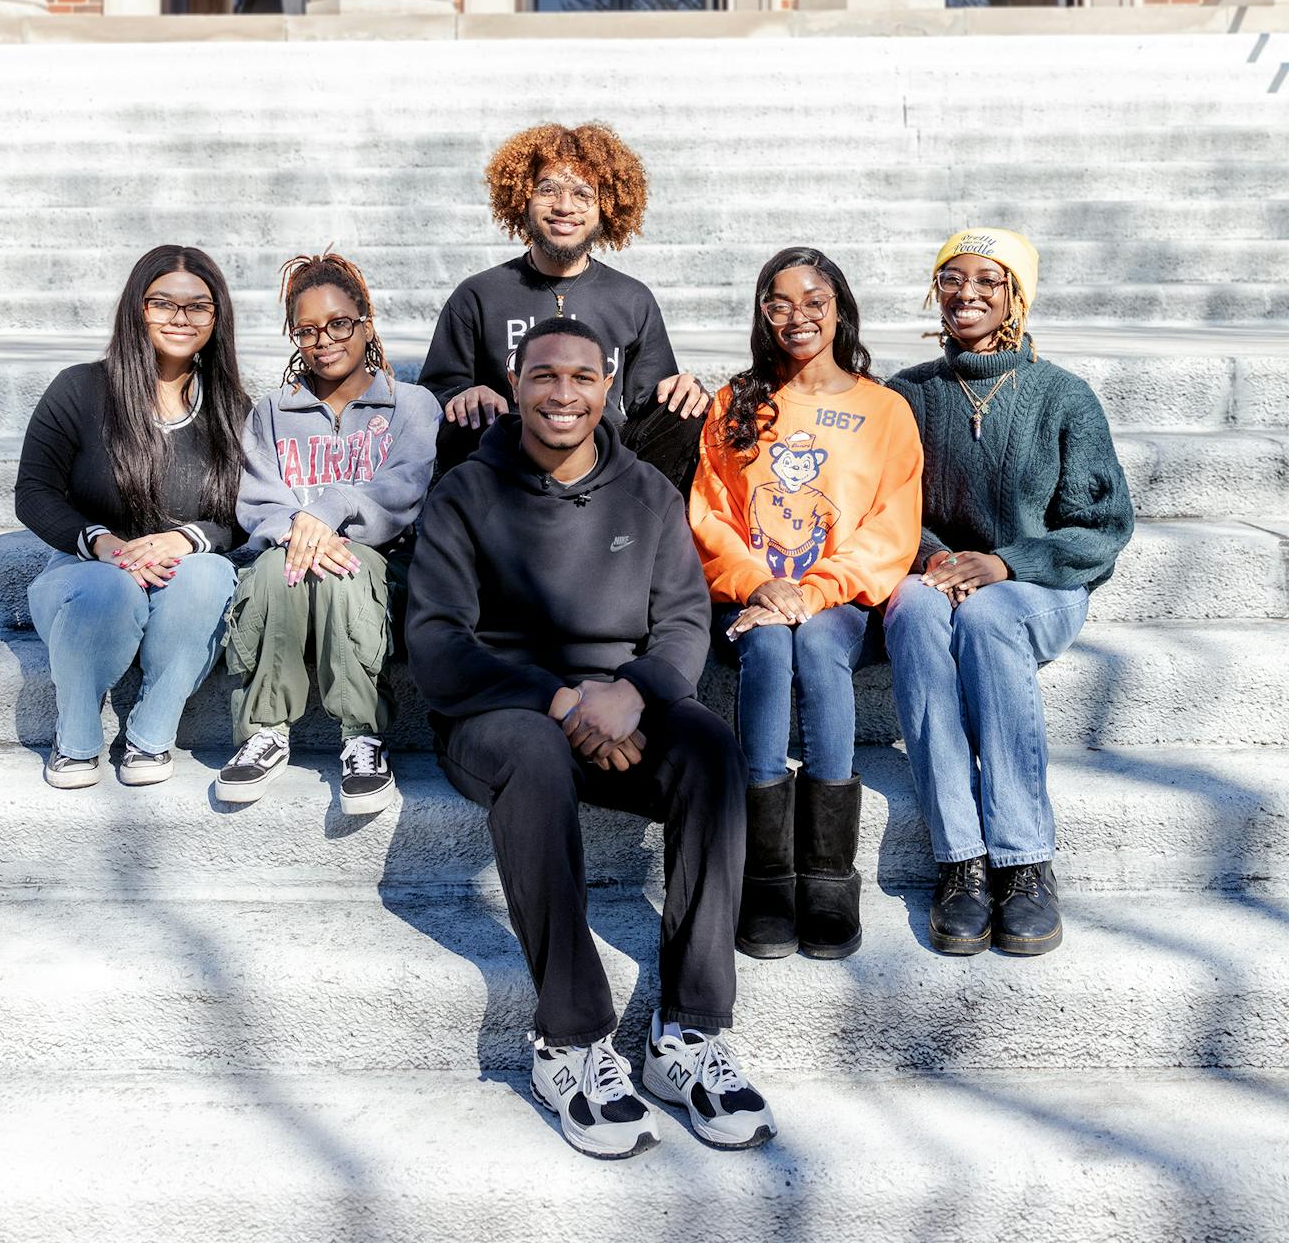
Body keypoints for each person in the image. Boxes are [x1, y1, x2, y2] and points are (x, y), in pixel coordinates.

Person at [407, 316, 775, 1160]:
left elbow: (683, 625)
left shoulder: (645, 490)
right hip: (499, 714)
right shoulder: (466, 492)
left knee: (711, 749)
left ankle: (687, 1034)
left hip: (624, 706)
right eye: (544, 376)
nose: (562, 394)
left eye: (581, 377)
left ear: (608, 386)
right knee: (536, 758)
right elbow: (437, 647)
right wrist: (570, 700)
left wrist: (633, 696)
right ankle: (568, 1043)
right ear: (516, 381)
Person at [884, 228, 1134, 957]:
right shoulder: (910, 394)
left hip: (1039, 585)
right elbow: (888, 507)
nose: (967, 294)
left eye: (988, 281)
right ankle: (960, 863)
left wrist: (1007, 564)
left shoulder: (1064, 396)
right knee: (912, 613)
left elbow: (1101, 524)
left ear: (1016, 296)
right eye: (952, 279)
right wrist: (935, 560)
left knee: (990, 618)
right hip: (935, 573)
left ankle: (1024, 862)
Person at [690, 248, 922, 963]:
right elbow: (709, 513)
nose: (798, 316)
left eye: (815, 300)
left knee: (817, 644)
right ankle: (764, 869)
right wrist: (759, 584)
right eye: (778, 302)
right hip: (754, 595)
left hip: (841, 599)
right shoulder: (737, 404)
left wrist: (814, 591)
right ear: (762, 314)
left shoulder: (884, 409)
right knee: (765, 646)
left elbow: (892, 526)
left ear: (840, 308)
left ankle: (827, 870)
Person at [15, 245, 249, 789]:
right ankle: (74, 742)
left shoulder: (231, 408)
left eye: (198, 307)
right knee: (109, 591)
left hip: (181, 577)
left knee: (212, 573)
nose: (180, 318)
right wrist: (102, 545)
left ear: (217, 320)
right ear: (135, 309)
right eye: (162, 303)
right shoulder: (80, 389)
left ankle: (150, 735)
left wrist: (185, 540)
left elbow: (243, 512)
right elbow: (33, 492)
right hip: (85, 575)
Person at [215, 251, 440, 812]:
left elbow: (403, 488)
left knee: (346, 569)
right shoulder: (270, 413)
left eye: (339, 324)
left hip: (383, 562)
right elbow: (258, 498)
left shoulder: (410, 405)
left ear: (366, 324)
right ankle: (264, 732)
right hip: (290, 554)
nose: (324, 340)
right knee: (277, 568)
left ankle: (361, 735)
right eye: (307, 330)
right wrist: (300, 529)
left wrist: (330, 510)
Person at [418, 121, 709, 488]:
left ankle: (639, 528)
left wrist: (684, 390)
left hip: (606, 468)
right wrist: (463, 394)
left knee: (689, 411)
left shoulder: (632, 298)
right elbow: (431, 396)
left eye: (583, 194)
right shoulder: (478, 295)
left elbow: (650, 403)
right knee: (466, 418)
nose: (564, 206)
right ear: (522, 197)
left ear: (607, 206)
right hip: (509, 472)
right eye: (548, 189)